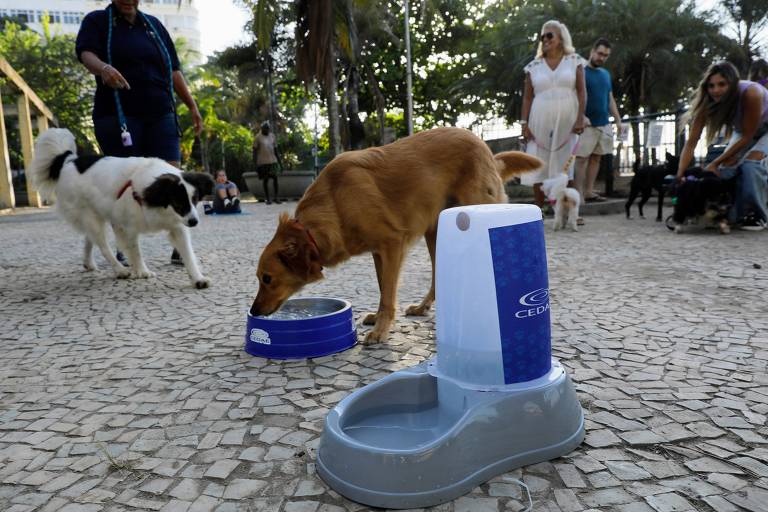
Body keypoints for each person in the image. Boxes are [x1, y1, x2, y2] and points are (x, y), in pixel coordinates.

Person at [75, 0, 203, 265]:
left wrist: (191, 105)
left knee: (173, 177)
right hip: (118, 114)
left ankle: (181, 246)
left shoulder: (154, 26)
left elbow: (174, 70)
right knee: (122, 184)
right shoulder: (97, 21)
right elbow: (86, 53)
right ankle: (124, 246)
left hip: (160, 112)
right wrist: (103, 69)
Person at [676, 61, 768, 231]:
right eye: (711, 86)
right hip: (745, 131)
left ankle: (758, 215)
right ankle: (731, 213)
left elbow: (748, 136)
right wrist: (680, 175)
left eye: (722, 84)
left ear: (732, 84)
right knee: (724, 169)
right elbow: (691, 142)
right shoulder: (708, 102)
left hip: (763, 129)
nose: (715, 90)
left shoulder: (751, 93)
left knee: (751, 165)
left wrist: (715, 162)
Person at [520, 20, 586, 208]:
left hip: (568, 121)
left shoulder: (574, 61)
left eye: (550, 35)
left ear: (561, 38)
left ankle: (570, 210)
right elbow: (527, 98)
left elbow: (582, 92)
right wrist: (524, 124)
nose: (545, 39)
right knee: (538, 164)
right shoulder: (533, 66)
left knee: (567, 166)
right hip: (538, 120)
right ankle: (538, 212)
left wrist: (580, 118)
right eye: (543, 36)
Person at [574, 38, 623, 219]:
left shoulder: (605, 74)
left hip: (604, 123)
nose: (602, 57)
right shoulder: (581, 71)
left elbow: (610, 98)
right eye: (600, 53)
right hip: (586, 123)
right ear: (593, 50)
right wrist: (581, 116)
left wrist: (617, 120)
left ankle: (588, 190)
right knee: (581, 158)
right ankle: (578, 192)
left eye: (606, 56)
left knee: (596, 158)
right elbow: (575, 96)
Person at [253, 122, 281, 205]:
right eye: (265, 129)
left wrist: (280, 162)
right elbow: (254, 151)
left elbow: (276, 149)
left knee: (275, 178)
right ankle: (268, 198)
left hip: (273, 161)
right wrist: (255, 163)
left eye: (268, 129)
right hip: (262, 162)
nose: (267, 130)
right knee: (265, 180)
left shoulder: (272, 136)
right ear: (262, 129)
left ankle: (276, 197)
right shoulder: (258, 137)